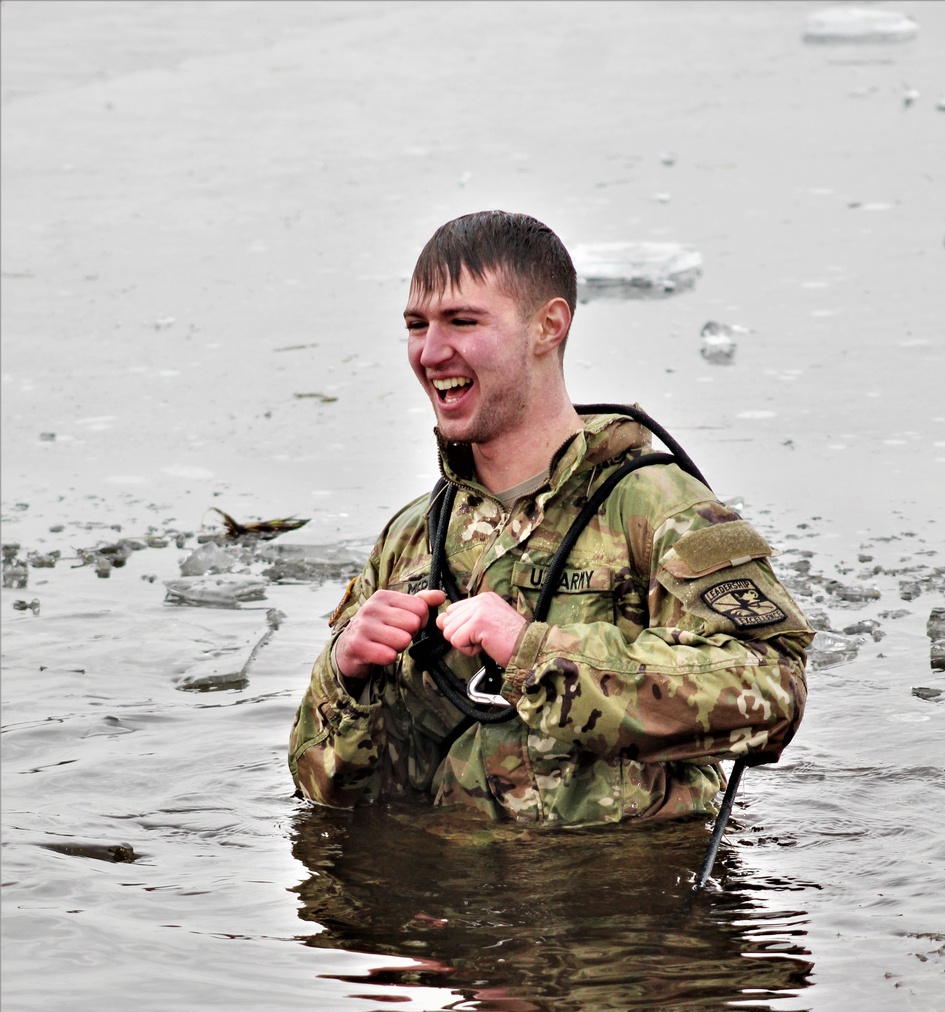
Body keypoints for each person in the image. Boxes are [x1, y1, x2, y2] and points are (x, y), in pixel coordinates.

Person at [288, 210, 811, 826]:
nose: (431, 352)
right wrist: (346, 675)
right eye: (416, 325)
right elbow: (321, 788)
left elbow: (774, 691)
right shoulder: (414, 537)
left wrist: (532, 652)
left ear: (548, 326)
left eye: (463, 321)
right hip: (445, 904)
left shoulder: (655, 508)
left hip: (620, 901)